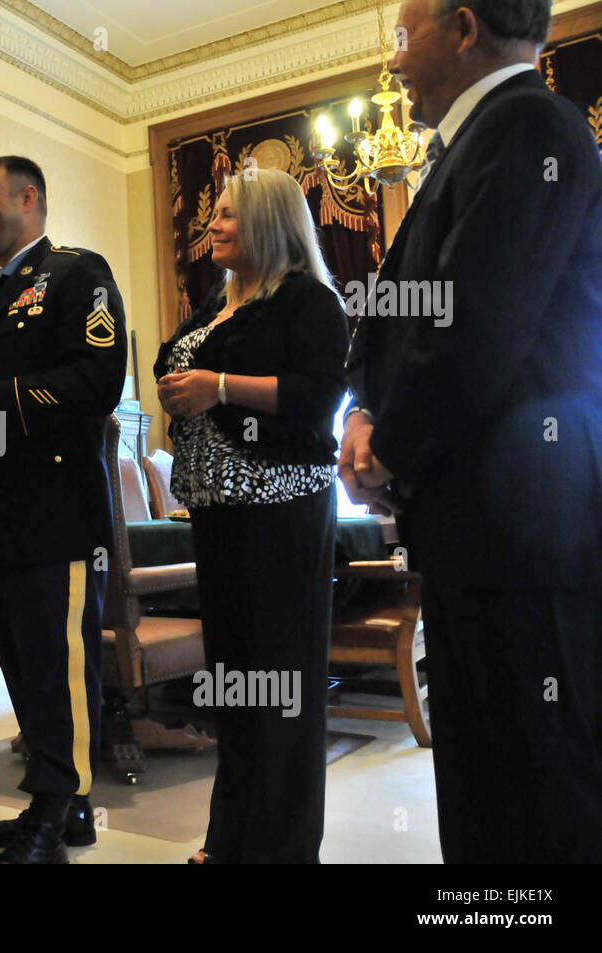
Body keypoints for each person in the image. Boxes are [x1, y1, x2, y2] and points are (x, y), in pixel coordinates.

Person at [341, 0, 602, 863]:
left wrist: (388, 444)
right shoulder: (476, 140)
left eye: (402, 35)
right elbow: (404, 314)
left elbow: (476, 319)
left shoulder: (527, 123)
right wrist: (369, 411)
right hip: (484, 515)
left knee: (536, 778)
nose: (395, 60)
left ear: (462, 28)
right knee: (488, 769)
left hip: (525, 518)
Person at [0, 156, 127, 863]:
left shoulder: (79, 274)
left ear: (30, 197)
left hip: (56, 511)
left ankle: (59, 807)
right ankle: (56, 805)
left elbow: (98, 378)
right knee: (20, 665)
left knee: (59, 666)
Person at [154, 169, 348, 864]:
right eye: (213, 212)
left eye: (229, 214)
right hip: (215, 512)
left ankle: (285, 850)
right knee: (234, 683)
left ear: (268, 222)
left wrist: (217, 386)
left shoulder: (307, 300)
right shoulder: (215, 301)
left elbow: (320, 394)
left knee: (281, 686)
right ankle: (229, 839)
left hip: (281, 509)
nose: (213, 224)